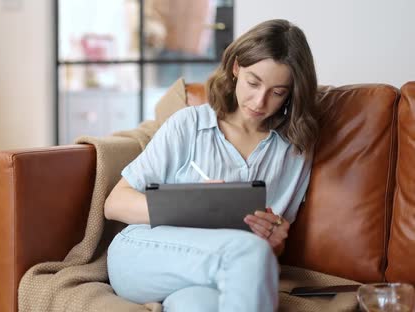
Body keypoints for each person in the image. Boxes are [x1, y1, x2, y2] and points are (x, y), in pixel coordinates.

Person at [104, 19, 319, 312]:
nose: (260, 101)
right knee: (248, 252)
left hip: (217, 272)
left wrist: (277, 241)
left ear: (292, 92)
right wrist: (190, 207)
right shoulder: (189, 124)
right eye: (253, 83)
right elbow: (115, 203)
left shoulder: (293, 151)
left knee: (197, 306)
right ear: (236, 69)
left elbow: (269, 250)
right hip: (144, 253)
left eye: (278, 92)